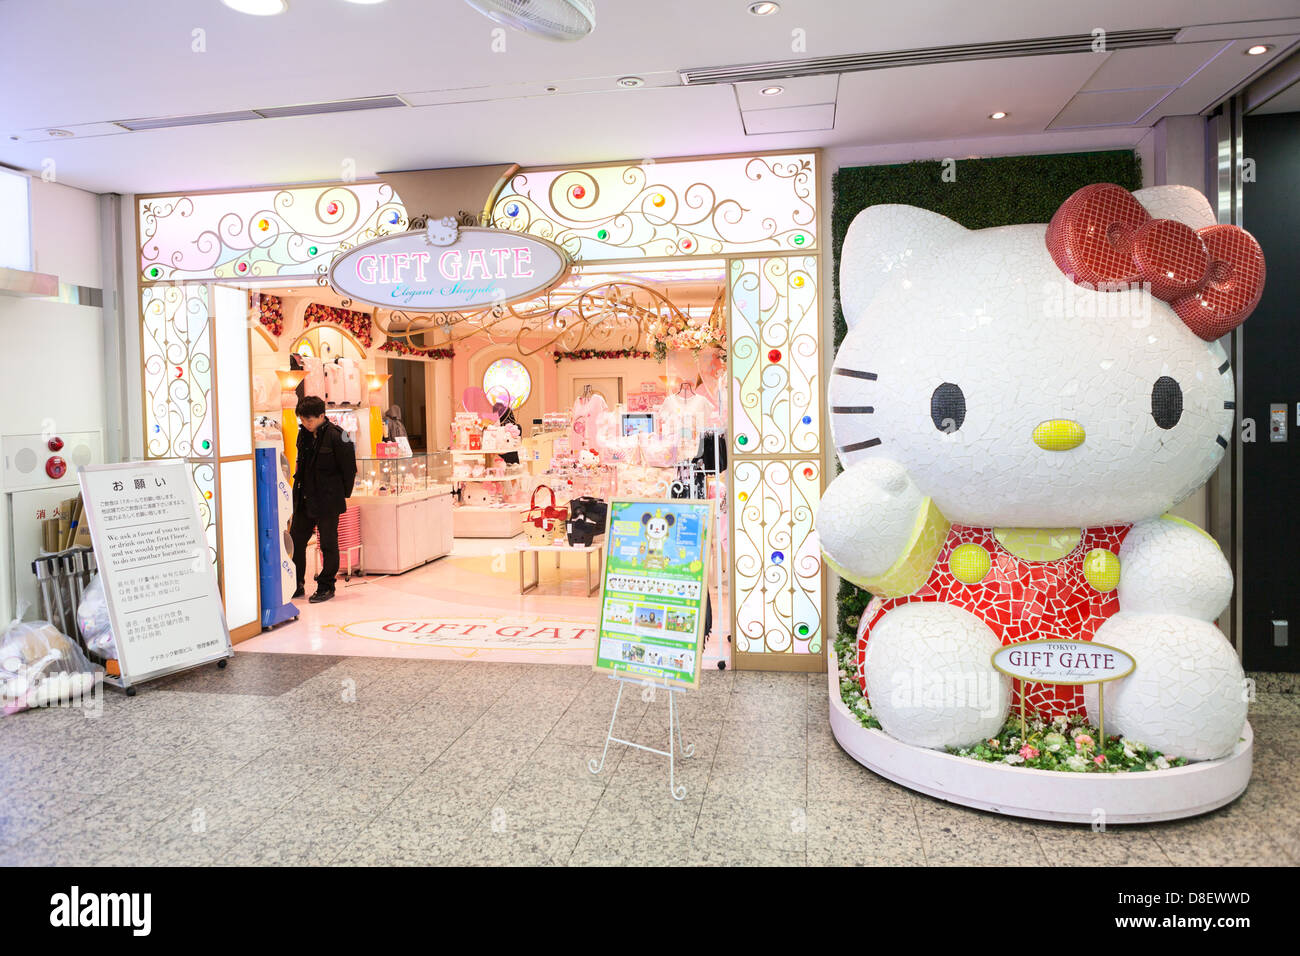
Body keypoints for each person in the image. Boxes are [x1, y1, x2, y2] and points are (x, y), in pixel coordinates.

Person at [289, 395, 356, 603]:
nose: (306, 424)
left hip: (328, 500)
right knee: (296, 541)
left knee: (328, 543)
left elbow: (349, 469)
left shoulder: (339, 436)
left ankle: (326, 586)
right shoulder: (303, 435)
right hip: (305, 498)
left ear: (321, 415)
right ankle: (296, 583)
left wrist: (341, 494)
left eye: (310, 420)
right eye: (303, 419)